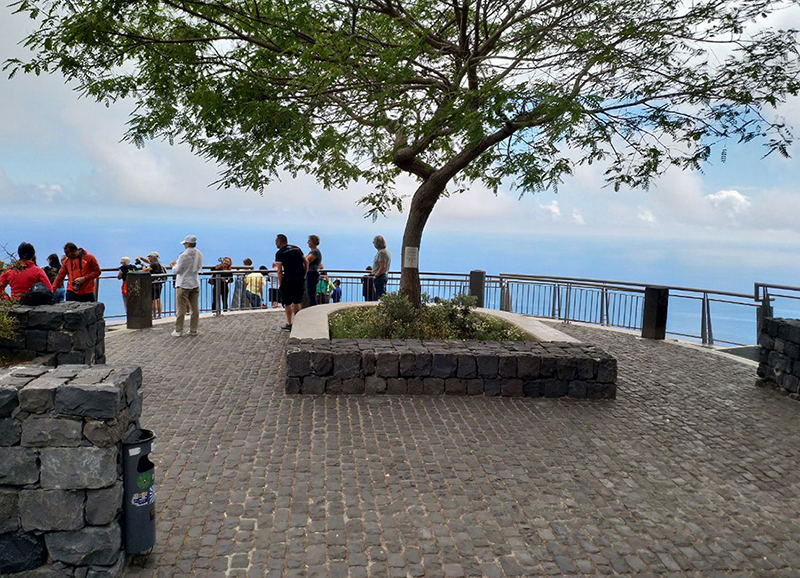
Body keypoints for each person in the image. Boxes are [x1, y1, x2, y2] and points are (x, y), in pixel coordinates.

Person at [169, 235, 203, 337]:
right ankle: (193, 330)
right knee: (194, 308)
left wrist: (172, 265)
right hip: (195, 283)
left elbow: (177, 270)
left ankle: (178, 330)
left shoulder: (183, 255)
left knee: (181, 308)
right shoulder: (199, 254)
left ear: (187, 244)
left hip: (183, 284)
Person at [274, 234, 308, 330]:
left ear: (280, 241)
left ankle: (289, 323)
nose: (276, 243)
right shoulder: (297, 248)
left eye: (276, 242)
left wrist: (281, 283)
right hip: (299, 278)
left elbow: (279, 271)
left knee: (287, 302)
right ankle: (298, 322)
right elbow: (306, 262)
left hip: (288, 279)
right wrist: (304, 274)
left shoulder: (280, 253)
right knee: (297, 301)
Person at [137, 252, 166, 318]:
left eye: (149, 257)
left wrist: (143, 266)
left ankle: (154, 315)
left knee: (153, 300)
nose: (148, 258)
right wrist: (141, 258)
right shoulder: (158, 263)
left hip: (153, 284)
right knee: (158, 299)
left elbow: (145, 270)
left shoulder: (153, 265)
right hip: (159, 283)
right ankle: (159, 314)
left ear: (153, 258)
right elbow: (148, 262)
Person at [305, 235, 323, 307]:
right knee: (310, 293)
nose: (307, 242)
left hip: (312, 273)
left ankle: (313, 308)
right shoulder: (313, 251)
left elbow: (307, 260)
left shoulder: (315, 252)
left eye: (309, 241)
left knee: (311, 293)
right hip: (310, 273)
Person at [371, 235, 391, 299]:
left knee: (381, 296)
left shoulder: (381, 253)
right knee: (381, 294)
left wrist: (376, 275)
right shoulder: (385, 251)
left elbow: (383, 267)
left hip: (380, 277)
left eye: (374, 242)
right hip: (382, 276)